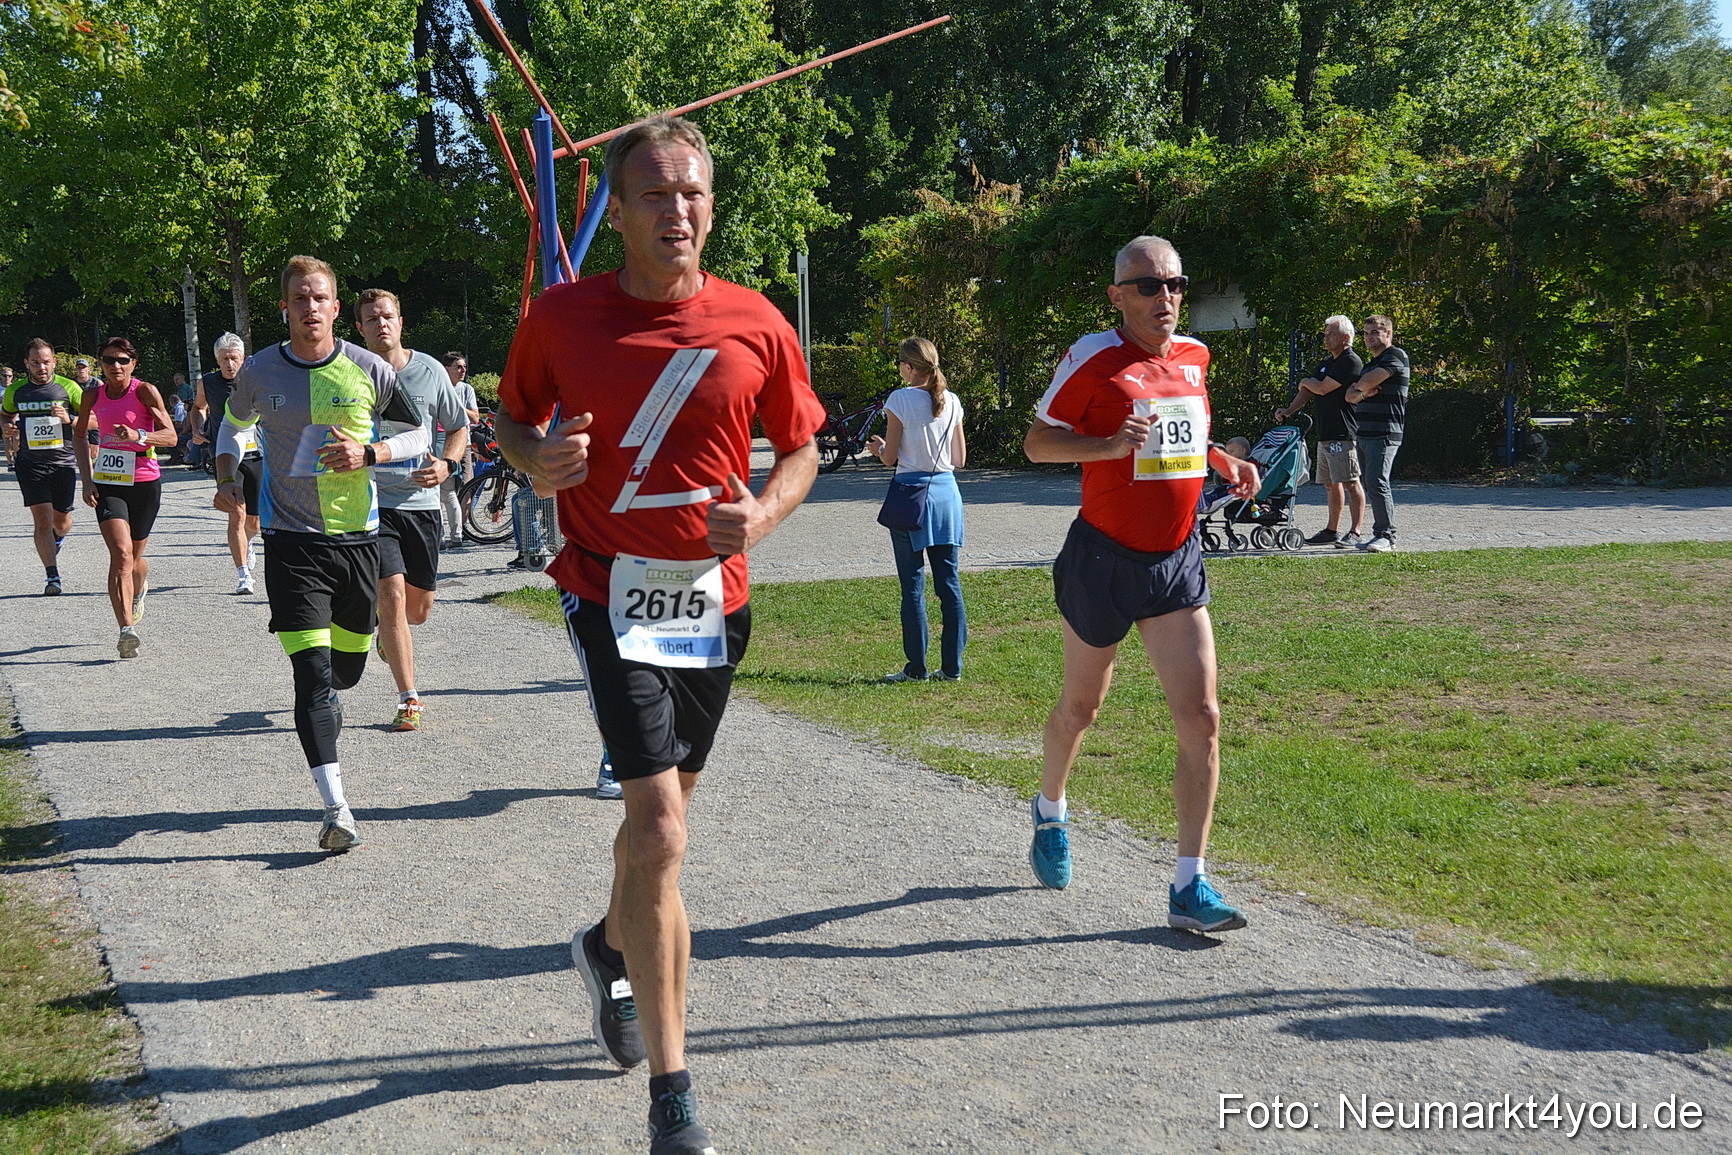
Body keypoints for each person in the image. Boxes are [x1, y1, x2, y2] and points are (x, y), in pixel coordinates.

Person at [495, 113, 824, 1155]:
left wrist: (762, 514)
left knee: (659, 825)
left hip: (713, 602)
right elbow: (511, 419)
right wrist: (535, 460)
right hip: (608, 590)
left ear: (711, 207)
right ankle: (673, 1096)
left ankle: (606, 945)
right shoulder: (561, 316)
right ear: (623, 210)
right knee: (663, 831)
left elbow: (802, 449)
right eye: (654, 193)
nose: (676, 210)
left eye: (692, 193)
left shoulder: (756, 321)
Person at [1022, 234, 1259, 933]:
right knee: (1081, 709)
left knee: (1203, 717)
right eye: (1150, 285)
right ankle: (1051, 809)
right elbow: (1037, 442)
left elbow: (1180, 436)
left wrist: (1221, 460)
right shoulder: (1093, 357)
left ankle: (1190, 882)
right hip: (1103, 559)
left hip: (1175, 560)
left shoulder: (1195, 356)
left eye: (1176, 284)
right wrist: (1106, 445)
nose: (1167, 297)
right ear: (1117, 296)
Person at [213, 255, 428, 853]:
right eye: (299, 298)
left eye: (319, 298)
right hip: (290, 544)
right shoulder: (259, 371)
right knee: (310, 676)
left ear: (336, 308)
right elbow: (232, 427)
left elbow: (419, 435)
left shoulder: (368, 368)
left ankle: (359, 657)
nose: (310, 307)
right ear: (285, 308)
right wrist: (227, 474)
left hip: (358, 541)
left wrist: (371, 454)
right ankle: (336, 808)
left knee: (345, 673)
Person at [356, 288, 468, 731]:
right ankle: (409, 698)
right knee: (392, 593)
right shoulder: (350, 371)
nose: (380, 324)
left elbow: (457, 427)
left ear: (401, 322)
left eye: (387, 316)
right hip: (371, 501)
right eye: (371, 319)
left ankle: (389, 631)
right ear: (359, 328)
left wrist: (447, 465)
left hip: (421, 504)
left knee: (417, 610)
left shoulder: (430, 371)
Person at [865, 336, 968, 682]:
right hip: (947, 495)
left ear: (908, 367)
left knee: (912, 586)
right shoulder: (952, 400)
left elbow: (890, 457)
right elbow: (959, 458)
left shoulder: (900, 399)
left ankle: (916, 668)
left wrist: (879, 448)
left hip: (911, 497)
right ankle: (952, 668)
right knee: (949, 584)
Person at [72, 338, 176, 658]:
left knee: (135, 559)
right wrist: (87, 480)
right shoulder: (93, 394)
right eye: (108, 360)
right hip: (108, 482)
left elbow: (171, 436)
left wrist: (138, 435)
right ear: (100, 364)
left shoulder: (145, 392)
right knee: (120, 554)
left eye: (121, 360)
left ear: (133, 363)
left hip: (144, 481)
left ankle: (138, 587)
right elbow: (79, 435)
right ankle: (126, 630)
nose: (115, 366)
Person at [1274, 315, 1366, 547]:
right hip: (1325, 431)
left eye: (1331, 334)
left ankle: (1355, 531)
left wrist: (1306, 381)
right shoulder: (1326, 363)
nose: (1326, 338)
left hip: (1343, 432)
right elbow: (1308, 390)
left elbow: (1323, 388)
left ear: (1346, 337)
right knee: (1330, 483)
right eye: (1325, 334)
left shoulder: (1350, 361)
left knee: (1350, 481)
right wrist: (1289, 410)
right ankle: (1331, 530)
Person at [4, 339, 83, 595]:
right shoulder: (16, 390)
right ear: (26, 363)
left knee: (62, 521)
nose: (41, 367)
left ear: (54, 362)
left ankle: (57, 539)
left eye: (46, 362)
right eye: (35, 362)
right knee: (42, 520)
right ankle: (52, 576)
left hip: (63, 463)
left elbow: (93, 419)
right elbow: (5, 414)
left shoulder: (69, 387)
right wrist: (6, 425)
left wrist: (70, 418)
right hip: (30, 463)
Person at [195, 333, 263, 593]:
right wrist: (198, 427)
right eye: (224, 359)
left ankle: (248, 541)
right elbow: (199, 407)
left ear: (243, 358)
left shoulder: (255, 380)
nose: (229, 364)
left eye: (234, 358)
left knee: (253, 522)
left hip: (255, 453)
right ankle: (244, 575)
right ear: (217, 360)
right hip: (224, 455)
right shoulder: (208, 382)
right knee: (236, 512)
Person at [1344, 314, 1409, 553]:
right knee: (1370, 484)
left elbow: (1366, 383)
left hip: (1385, 432)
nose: (1369, 337)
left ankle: (1387, 537)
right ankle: (1379, 534)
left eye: (1374, 332)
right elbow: (1349, 396)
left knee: (1377, 482)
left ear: (1388, 333)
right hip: (1364, 432)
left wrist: (1360, 387)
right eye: (1366, 333)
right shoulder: (1370, 364)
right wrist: (1362, 391)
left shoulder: (1396, 356)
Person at [439, 351, 480, 546]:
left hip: (465, 443)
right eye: (458, 367)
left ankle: (460, 531)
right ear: (447, 369)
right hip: (441, 442)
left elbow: (475, 417)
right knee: (443, 489)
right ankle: (442, 533)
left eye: (464, 367)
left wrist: (458, 406)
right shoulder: (439, 386)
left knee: (466, 486)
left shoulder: (466, 389)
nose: (463, 370)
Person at [1, 365, 18, 469]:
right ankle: (9, 462)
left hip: (16, 416)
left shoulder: (16, 388)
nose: (7, 378)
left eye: (9, 376)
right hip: (4, 417)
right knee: (7, 440)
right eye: (4, 376)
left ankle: (17, 459)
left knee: (17, 439)